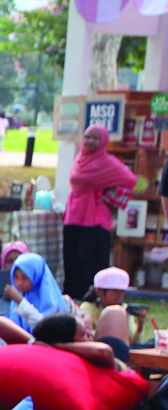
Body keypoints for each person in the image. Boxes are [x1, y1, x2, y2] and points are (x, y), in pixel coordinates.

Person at [63, 124, 138, 301]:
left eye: (95, 138)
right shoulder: (80, 159)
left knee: (90, 263)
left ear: (103, 141)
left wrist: (107, 194)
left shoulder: (107, 162)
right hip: (74, 216)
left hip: (95, 220)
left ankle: (92, 300)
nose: (90, 141)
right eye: (88, 137)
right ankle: (71, 301)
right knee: (71, 261)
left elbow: (129, 179)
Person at [79, 266, 150, 352]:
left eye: (122, 291)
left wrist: (140, 325)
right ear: (99, 291)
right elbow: (85, 337)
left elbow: (132, 341)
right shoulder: (88, 307)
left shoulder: (124, 308)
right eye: (115, 291)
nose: (119, 295)